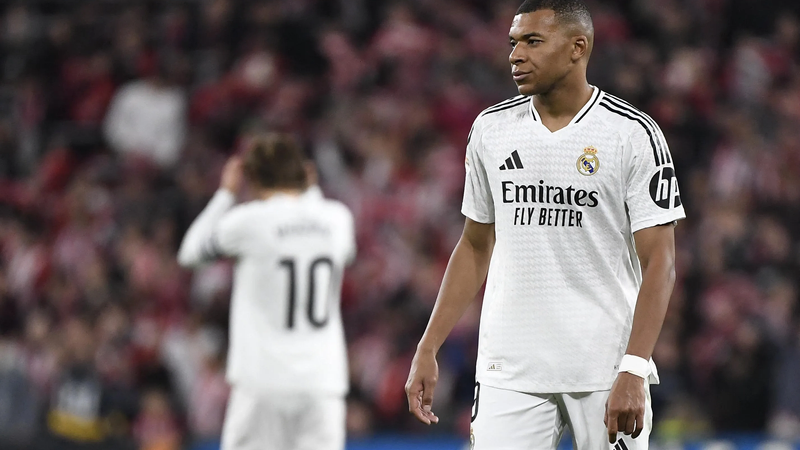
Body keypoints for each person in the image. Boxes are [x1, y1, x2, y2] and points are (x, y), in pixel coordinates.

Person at [404, 1, 686, 449]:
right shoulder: (491, 130)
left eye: (533, 41)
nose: (516, 55)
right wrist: (428, 345)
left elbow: (661, 261)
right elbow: (476, 245)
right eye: (513, 43)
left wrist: (634, 366)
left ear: (578, 47)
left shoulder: (632, 134)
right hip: (509, 369)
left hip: (604, 368)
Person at [178, 133, 356, 450]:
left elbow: (190, 253)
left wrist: (225, 194)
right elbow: (344, 251)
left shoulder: (248, 222)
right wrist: (310, 187)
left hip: (263, 382)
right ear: (305, 173)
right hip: (322, 383)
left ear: (252, 178)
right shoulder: (337, 218)